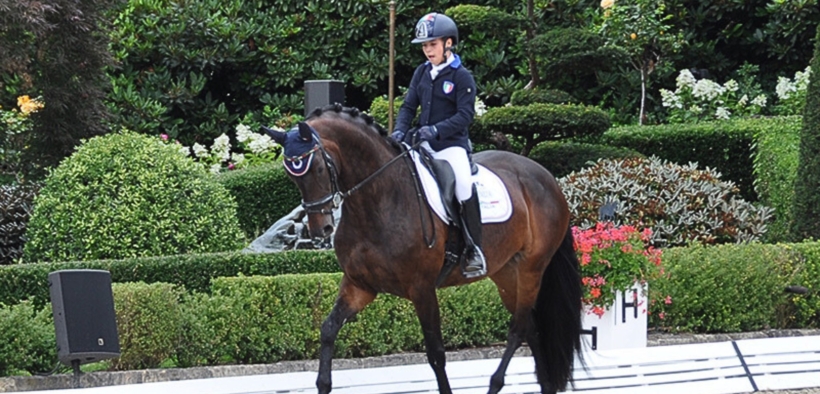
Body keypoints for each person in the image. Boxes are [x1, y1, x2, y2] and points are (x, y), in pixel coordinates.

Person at [391, 12, 486, 278]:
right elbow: (409, 106)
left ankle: (473, 249)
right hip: (421, 142)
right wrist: (398, 131)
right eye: (424, 46)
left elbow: (465, 116)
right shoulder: (421, 72)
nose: (427, 50)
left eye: (432, 44)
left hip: (451, 146)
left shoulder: (461, 76)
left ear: (448, 43)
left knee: (464, 185)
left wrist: (436, 130)